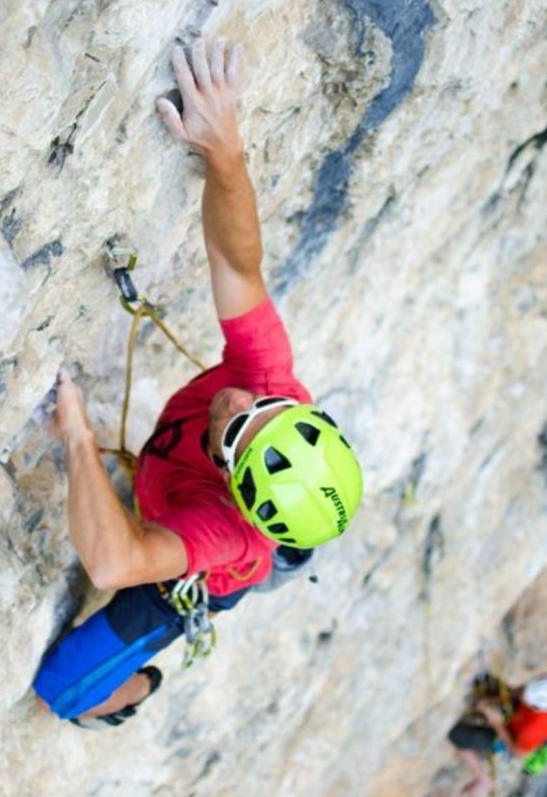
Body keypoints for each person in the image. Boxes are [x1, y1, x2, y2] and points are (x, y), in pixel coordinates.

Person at [33, 38, 363, 729]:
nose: (243, 400)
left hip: (219, 571)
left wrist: (79, 440)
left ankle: (141, 689)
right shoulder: (266, 379)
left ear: (233, 481)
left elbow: (114, 563)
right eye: (269, 408)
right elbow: (239, 266)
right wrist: (225, 151)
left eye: (240, 426)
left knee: (65, 694)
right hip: (266, 509)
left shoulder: (222, 533)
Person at [447, 675, 547, 795]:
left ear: (536, 707)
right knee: (485, 680)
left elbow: (518, 752)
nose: (524, 694)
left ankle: (483, 779)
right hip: (519, 719)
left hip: (512, 739)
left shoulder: (532, 731)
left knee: (457, 735)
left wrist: (497, 724)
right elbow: (522, 691)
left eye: (527, 696)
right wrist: (492, 701)